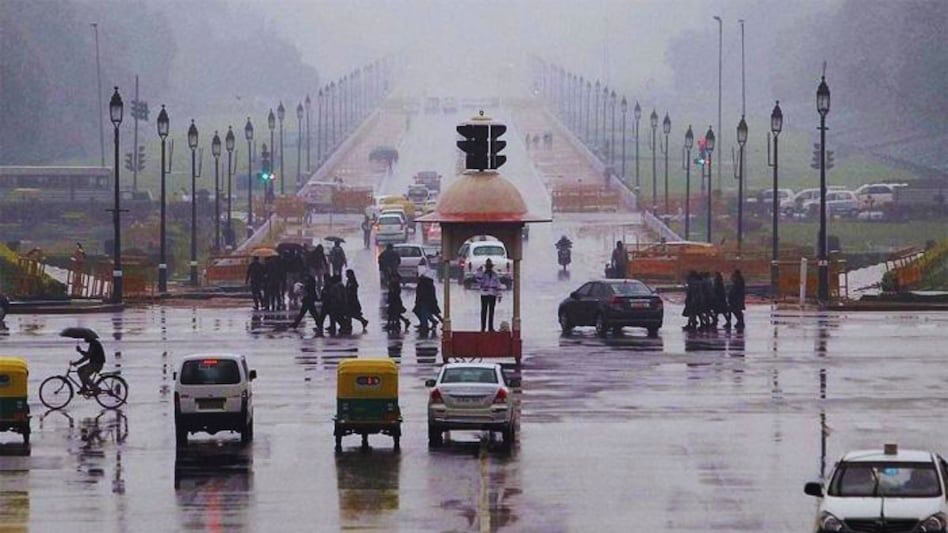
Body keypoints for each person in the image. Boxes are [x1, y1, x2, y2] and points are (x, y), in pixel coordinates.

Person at [479, 258, 502, 332]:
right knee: (484, 311)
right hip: (484, 294)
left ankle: (490, 327)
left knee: (491, 311)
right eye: (487, 267)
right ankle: (483, 328)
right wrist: (479, 271)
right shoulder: (482, 274)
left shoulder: (495, 275)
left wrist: (499, 295)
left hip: (492, 294)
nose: (489, 268)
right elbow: (477, 280)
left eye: (490, 267)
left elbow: (498, 285)